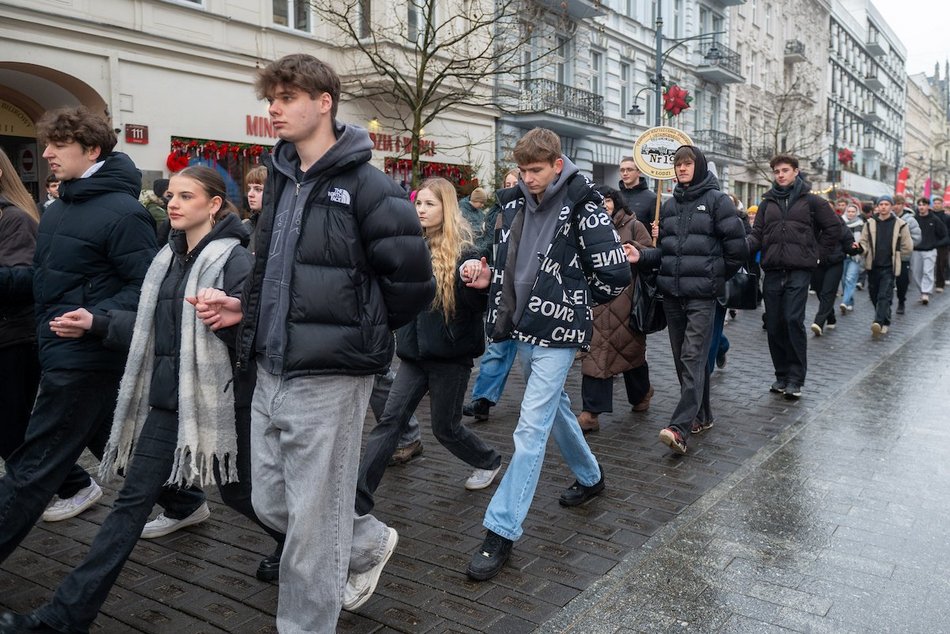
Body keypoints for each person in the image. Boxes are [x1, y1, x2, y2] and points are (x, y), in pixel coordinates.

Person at [191, 54, 434, 631]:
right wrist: (242, 306)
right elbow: (271, 267)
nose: (273, 107)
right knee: (270, 502)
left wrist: (354, 331)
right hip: (270, 367)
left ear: (324, 102)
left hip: (332, 374)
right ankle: (365, 539)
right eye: (270, 97)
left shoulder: (372, 187)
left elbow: (412, 284)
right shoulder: (278, 178)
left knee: (309, 535)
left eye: (287, 96)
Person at [0, 166, 256, 633]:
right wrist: (96, 324)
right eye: (170, 195)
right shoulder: (168, 258)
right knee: (128, 507)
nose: (172, 203)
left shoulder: (235, 261)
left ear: (214, 205)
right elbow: (153, 329)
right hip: (166, 399)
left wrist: (233, 319)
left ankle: (330, 544)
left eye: (185, 196)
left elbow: (257, 340)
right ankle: (63, 618)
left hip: (220, 402)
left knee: (246, 496)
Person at [460, 127, 631, 581]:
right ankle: (591, 477)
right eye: (522, 170)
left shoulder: (584, 204)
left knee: (530, 427)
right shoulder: (513, 200)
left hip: (558, 331)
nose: (528, 178)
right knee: (554, 409)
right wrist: (486, 273)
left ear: (558, 164)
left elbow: (614, 274)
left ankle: (501, 529)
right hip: (519, 325)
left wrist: (572, 298)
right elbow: (505, 255)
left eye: (535, 170)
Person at [0, 106, 157, 566]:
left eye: (57, 145)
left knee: (31, 468)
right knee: (117, 441)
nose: (45, 153)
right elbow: (46, 279)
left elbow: (145, 288)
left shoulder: (125, 213)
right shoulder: (59, 207)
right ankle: (184, 500)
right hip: (58, 349)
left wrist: (96, 318)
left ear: (91, 150)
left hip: (85, 353)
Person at [357, 177, 502, 514]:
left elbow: (477, 306)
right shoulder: (410, 244)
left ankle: (489, 460)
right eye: (418, 203)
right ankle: (358, 496)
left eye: (429, 204)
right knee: (389, 421)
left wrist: (478, 285)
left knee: (445, 428)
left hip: (450, 357)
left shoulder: (467, 250)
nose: (421, 210)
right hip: (412, 354)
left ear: (446, 207)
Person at [637, 146, 748, 454]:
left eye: (687, 164)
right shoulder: (671, 204)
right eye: (678, 164)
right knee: (682, 359)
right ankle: (703, 414)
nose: (681, 169)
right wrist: (643, 255)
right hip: (672, 295)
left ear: (698, 167)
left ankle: (680, 428)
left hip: (702, 297)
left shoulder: (717, 201)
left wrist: (714, 276)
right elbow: (667, 253)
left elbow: (737, 248)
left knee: (693, 358)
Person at [747, 155, 839, 399]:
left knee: (792, 320)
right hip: (773, 270)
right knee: (774, 324)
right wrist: (742, 247)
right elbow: (757, 234)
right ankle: (781, 375)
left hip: (799, 270)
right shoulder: (767, 203)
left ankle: (796, 379)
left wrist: (818, 255)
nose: (780, 175)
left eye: (785, 170)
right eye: (776, 171)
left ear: (796, 172)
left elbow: (833, 229)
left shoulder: (812, 202)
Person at [576, 186, 653, 433]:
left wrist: (636, 250)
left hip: (625, 301)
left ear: (616, 202)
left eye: (607, 200)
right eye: (598, 201)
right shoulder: (586, 226)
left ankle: (642, 393)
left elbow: (650, 254)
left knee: (629, 352)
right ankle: (591, 413)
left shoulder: (633, 225)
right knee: (597, 354)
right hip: (596, 300)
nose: (603, 205)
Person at [462, 167, 521, 422]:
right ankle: (482, 400)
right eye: (506, 183)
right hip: (503, 288)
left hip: (533, 292)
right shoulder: (497, 214)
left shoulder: (538, 213)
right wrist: (473, 258)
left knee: (536, 359)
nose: (509, 187)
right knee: (498, 345)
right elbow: (486, 243)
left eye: (514, 183)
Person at [0, 148, 42, 466]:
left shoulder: (15, 218)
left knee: (13, 428)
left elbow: (25, 280)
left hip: (14, 337)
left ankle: (73, 485)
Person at [859, 195, 913, 339]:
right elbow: (863, 242)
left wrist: (897, 258)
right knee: (874, 295)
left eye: (886, 204)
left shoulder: (900, 224)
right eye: (881, 204)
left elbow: (907, 246)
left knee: (884, 295)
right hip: (873, 265)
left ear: (891, 206)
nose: (883, 207)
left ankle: (878, 322)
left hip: (889, 267)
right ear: (877, 206)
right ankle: (886, 318)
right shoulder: (869, 223)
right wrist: (860, 249)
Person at [809, 202, 860, 336]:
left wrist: (855, 248)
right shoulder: (813, 223)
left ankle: (818, 322)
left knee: (828, 292)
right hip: (818, 263)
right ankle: (830, 317)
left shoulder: (839, 224)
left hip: (835, 262)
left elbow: (848, 243)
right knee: (820, 291)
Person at [911, 196, 948, 304]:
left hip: (930, 251)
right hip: (916, 250)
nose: (921, 207)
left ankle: (925, 293)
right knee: (915, 273)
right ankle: (922, 290)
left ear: (928, 206)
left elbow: (944, 234)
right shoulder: (914, 219)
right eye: (920, 205)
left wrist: (935, 244)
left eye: (924, 205)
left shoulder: (934, 219)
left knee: (928, 271)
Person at [891, 194, 921, 314]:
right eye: (894, 204)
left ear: (903, 205)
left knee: (902, 281)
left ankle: (901, 301)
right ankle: (886, 303)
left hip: (903, 256)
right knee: (887, 280)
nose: (896, 207)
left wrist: (906, 246)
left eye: (898, 204)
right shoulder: (888, 218)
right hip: (888, 255)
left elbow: (917, 238)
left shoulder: (910, 220)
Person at [839, 203, 866, 314]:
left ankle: (844, 302)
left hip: (855, 256)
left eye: (853, 211)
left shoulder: (861, 224)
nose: (850, 213)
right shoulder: (840, 222)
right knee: (844, 280)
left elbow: (863, 240)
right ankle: (850, 301)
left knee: (850, 279)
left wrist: (859, 248)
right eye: (849, 211)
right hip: (842, 255)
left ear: (857, 213)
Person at [617, 156, 656, 231]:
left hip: (640, 241)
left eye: (629, 170)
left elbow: (658, 228)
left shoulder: (652, 198)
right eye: (622, 170)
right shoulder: (615, 196)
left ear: (639, 172)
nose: (625, 173)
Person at [243, 165, 266, 253]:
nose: (250, 194)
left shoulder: (281, 227)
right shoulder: (245, 226)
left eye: (258, 189)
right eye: (249, 188)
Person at [934, 197, 950, 291]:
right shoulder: (930, 215)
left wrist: (946, 241)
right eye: (935, 203)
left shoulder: (947, 217)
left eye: (938, 203)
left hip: (943, 244)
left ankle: (940, 284)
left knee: (941, 264)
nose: (936, 205)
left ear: (942, 204)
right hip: (931, 242)